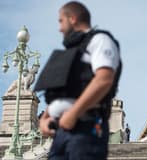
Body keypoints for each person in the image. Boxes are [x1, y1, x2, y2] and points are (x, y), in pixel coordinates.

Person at [36, 1, 122, 159]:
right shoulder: (71, 52)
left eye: (61, 21)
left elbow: (104, 79)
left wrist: (73, 113)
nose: (59, 28)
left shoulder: (100, 40)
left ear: (73, 19)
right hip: (61, 132)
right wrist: (44, 119)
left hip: (86, 126)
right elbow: (62, 91)